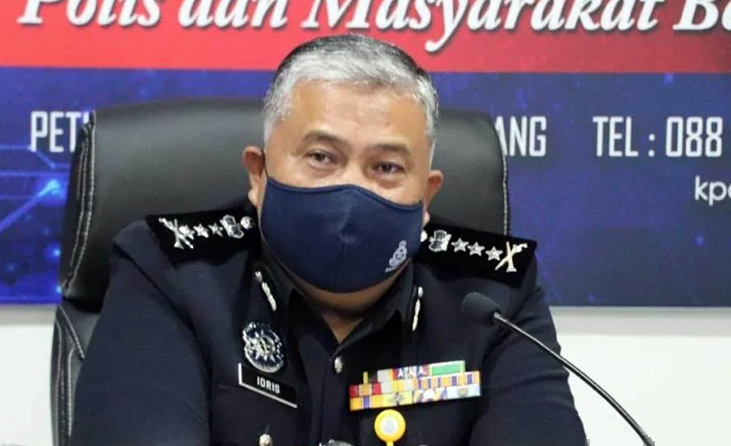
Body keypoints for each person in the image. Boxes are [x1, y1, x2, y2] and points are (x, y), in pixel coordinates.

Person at [69, 34, 586, 446]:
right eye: (322, 157)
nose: (352, 190)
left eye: (386, 167)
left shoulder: (493, 298)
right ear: (258, 174)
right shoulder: (169, 271)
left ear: (427, 195)